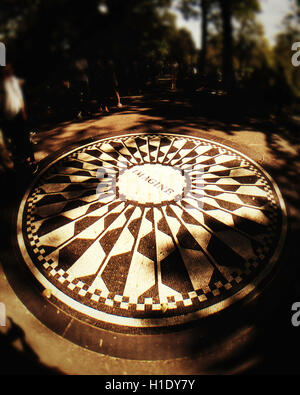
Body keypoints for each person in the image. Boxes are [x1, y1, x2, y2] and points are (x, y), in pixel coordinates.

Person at [0, 64, 37, 172]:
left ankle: (31, 159)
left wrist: (23, 112)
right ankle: (22, 160)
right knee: (16, 139)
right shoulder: (2, 83)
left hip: (18, 114)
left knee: (24, 136)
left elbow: (20, 97)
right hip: (8, 116)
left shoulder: (13, 81)